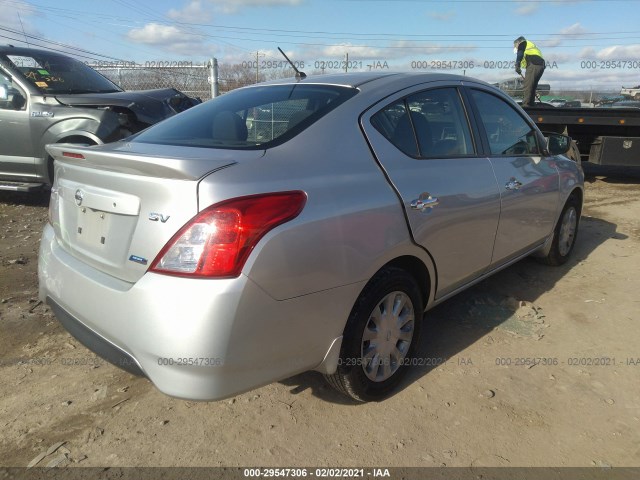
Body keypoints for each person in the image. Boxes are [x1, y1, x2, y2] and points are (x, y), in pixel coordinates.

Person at [513, 36, 545, 107]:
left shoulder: (523, 43)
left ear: (518, 42)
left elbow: (520, 53)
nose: (515, 48)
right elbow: (524, 59)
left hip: (533, 65)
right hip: (540, 66)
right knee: (532, 86)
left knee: (528, 86)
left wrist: (517, 64)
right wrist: (519, 68)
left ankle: (526, 105)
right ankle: (531, 104)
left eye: (515, 46)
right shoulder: (531, 46)